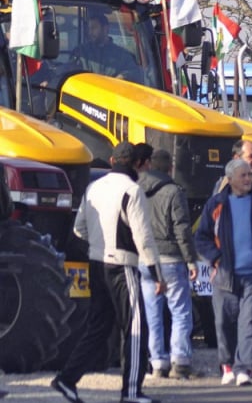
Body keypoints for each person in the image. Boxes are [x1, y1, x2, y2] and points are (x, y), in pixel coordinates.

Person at [51, 141, 165, 403]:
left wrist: (97, 246)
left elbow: (79, 228)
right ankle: (132, 391)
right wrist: (157, 275)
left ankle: (67, 379)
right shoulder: (132, 190)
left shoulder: (94, 187)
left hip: (96, 262)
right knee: (135, 328)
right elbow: (143, 238)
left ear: (112, 161)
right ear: (137, 164)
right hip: (122, 264)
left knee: (98, 328)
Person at [194, 158, 252, 386]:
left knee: (251, 324)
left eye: (249, 175)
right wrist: (215, 258)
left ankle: (245, 368)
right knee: (224, 324)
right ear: (231, 179)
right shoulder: (216, 204)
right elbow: (201, 237)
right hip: (224, 277)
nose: (248, 179)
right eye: (243, 175)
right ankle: (227, 366)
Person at [137, 149, 200, 378]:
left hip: (146, 260)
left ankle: (158, 363)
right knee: (181, 312)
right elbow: (182, 228)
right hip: (172, 260)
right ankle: (180, 360)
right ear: (170, 168)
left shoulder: (136, 190)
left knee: (153, 313)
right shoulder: (174, 191)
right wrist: (191, 261)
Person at [72, 12, 141, 82]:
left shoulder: (122, 55)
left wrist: (122, 77)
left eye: (94, 28)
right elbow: (71, 74)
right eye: (89, 28)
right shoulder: (80, 52)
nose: (90, 32)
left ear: (105, 29)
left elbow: (134, 72)